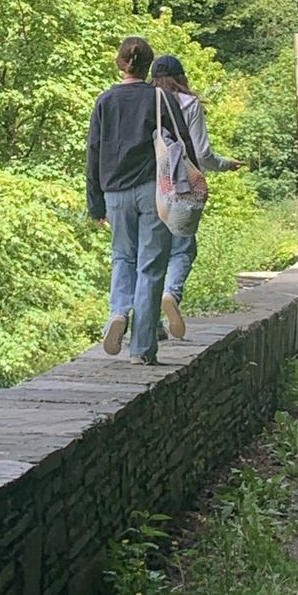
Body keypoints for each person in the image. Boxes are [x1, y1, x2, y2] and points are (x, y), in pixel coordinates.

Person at [87, 37, 198, 365]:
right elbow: (183, 144)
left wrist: (96, 203)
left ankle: (118, 313)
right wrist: (189, 189)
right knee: (151, 266)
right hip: (155, 191)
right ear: (148, 65)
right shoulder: (161, 98)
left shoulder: (105, 101)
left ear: (120, 63)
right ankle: (142, 349)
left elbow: (93, 153)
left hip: (114, 192)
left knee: (123, 256)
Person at [150, 54, 243, 341]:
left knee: (151, 256)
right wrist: (226, 164)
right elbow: (201, 153)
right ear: (182, 77)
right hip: (182, 187)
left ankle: (151, 324)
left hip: (151, 187)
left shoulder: (148, 102)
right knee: (184, 250)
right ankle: (171, 294)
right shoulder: (190, 104)